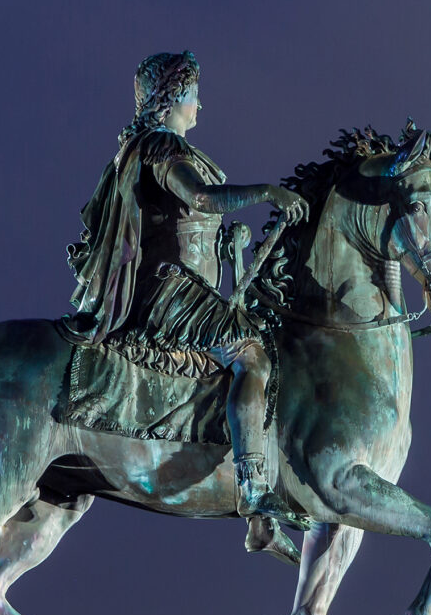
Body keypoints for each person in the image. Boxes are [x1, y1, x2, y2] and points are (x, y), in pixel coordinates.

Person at [66, 51, 309, 551]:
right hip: (168, 292)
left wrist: (225, 247)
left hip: (186, 284)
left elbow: (188, 222)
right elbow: (199, 199)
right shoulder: (159, 146)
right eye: (195, 95)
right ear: (175, 97)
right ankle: (254, 490)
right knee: (251, 354)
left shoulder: (155, 146)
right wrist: (266, 191)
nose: (200, 107)